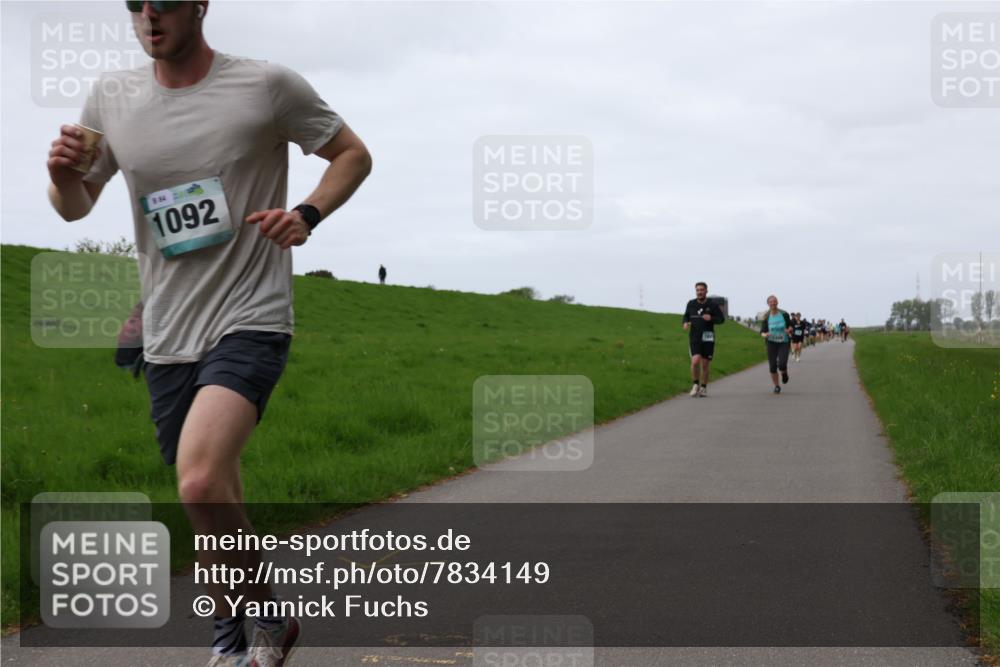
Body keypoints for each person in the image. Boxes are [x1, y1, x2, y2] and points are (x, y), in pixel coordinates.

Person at [46, 2, 372, 666]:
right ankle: (230, 638)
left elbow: (352, 154)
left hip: (250, 314)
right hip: (167, 327)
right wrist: (60, 177)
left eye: (163, 1)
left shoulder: (266, 85)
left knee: (197, 483)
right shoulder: (111, 96)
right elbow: (76, 206)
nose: (148, 15)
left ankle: (268, 619)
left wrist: (307, 213)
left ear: (199, 5)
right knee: (213, 496)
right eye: (134, 3)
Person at [682, 281, 725, 397]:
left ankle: (703, 388)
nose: (699, 292)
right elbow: (686, 316)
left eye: (701, 290)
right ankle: (695, 384)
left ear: (706, 291)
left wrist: (711, 318)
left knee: (705, 364)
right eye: (697, 290)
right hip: (695, 336)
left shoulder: (712, 305)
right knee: (695, 361)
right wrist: (685, 323)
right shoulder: (691, 304)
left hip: (708, 336)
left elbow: (721, 319)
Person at [759, 295, 792, 394]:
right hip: (771, 343)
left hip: (783, 342)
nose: (773, 303)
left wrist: (789, 330)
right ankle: (777, 386)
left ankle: (784, 373)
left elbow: (791, 326)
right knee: (772, 366)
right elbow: (762, 332)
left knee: (782, 364)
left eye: (774, 301)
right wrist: (765, 334)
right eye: (771, 302)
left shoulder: (784, 314)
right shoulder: (766, 316)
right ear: (768, 304)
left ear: (777, 302)